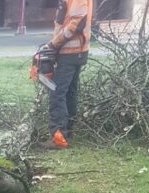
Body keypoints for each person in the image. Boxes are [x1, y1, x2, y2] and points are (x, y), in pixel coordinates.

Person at [42, 0, 93, 149]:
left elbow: (75, 24)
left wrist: (53, 44)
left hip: (71, 51)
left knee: (57, 92)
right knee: (69, 92)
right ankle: (67, 131)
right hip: (74, 51)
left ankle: (59, 137)